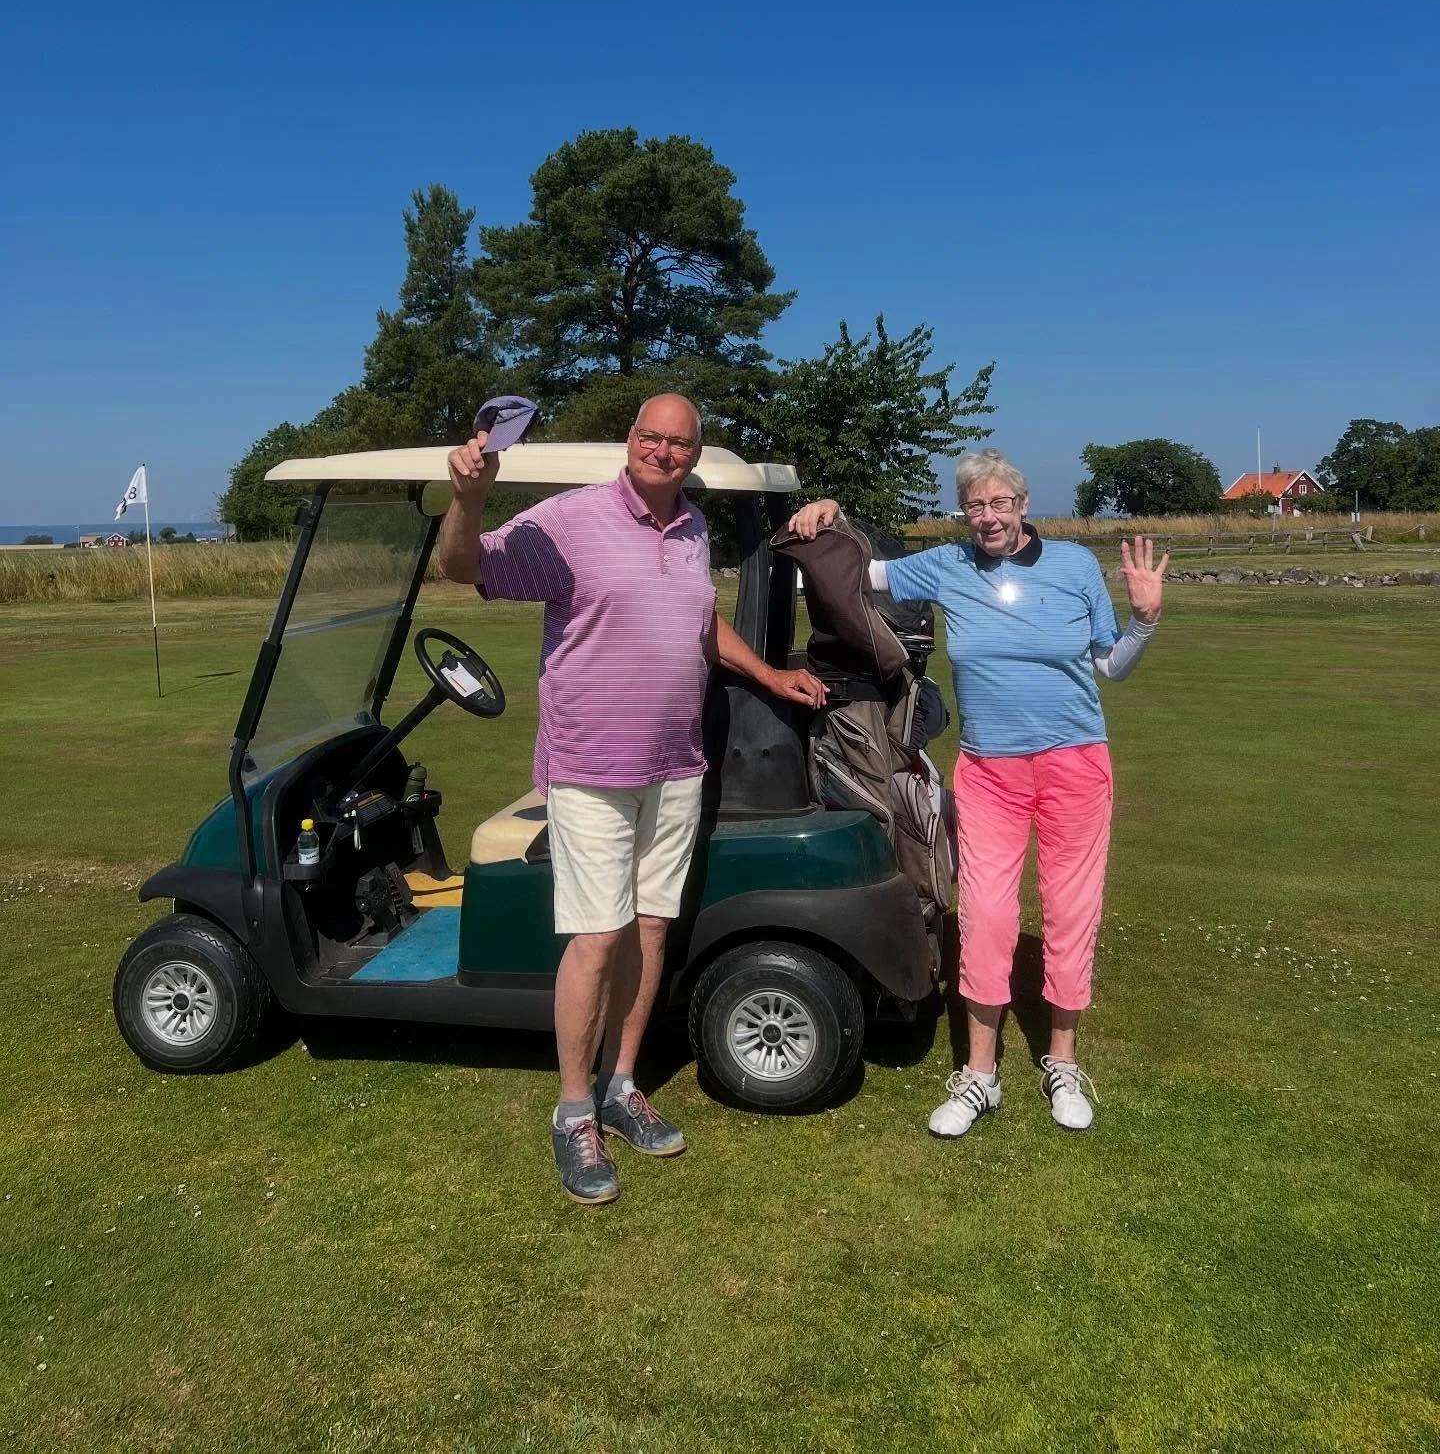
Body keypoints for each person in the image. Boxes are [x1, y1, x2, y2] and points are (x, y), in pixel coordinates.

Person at [438, 394, 827, 1204]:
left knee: (651, 928)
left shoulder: (690, 531)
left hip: (676, 763)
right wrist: (468, 498)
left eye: (678, 442)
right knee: (599, 938)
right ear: (631, 441)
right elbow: (464, 568)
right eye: (651, 437)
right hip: (591, 766)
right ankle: (573, 1111)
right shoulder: (569, 522)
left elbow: (697, 622)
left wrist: (767, 673)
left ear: (692, 452)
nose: (663, 452)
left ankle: (621, 1086)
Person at [787, 448, 1166, 1136]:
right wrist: (835, 514)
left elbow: (1112, 666)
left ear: (1022, 506)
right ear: (965, 511)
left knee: (1069, 911)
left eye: (999, 503)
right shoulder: (947, 565)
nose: (987, 517)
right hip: (989, 770)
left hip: (1075, 766)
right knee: (986, 916)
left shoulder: (1076, 567)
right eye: (975, 505)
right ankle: (980, 1075)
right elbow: (860, 570)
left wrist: (1144, 620)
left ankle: (1062, 1060)